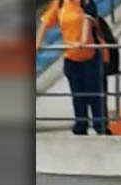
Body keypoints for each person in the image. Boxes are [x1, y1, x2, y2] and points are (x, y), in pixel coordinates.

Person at [36, 0, 109, 135]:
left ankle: (100, 127)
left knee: (94, 93)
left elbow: (88, 23)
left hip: (90, 56)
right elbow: (45, 22)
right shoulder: (60, 4)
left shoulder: (86, 4)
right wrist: (39, 42)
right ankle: (81, 125)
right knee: (77, 95)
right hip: (71, 57)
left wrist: (82, 42)